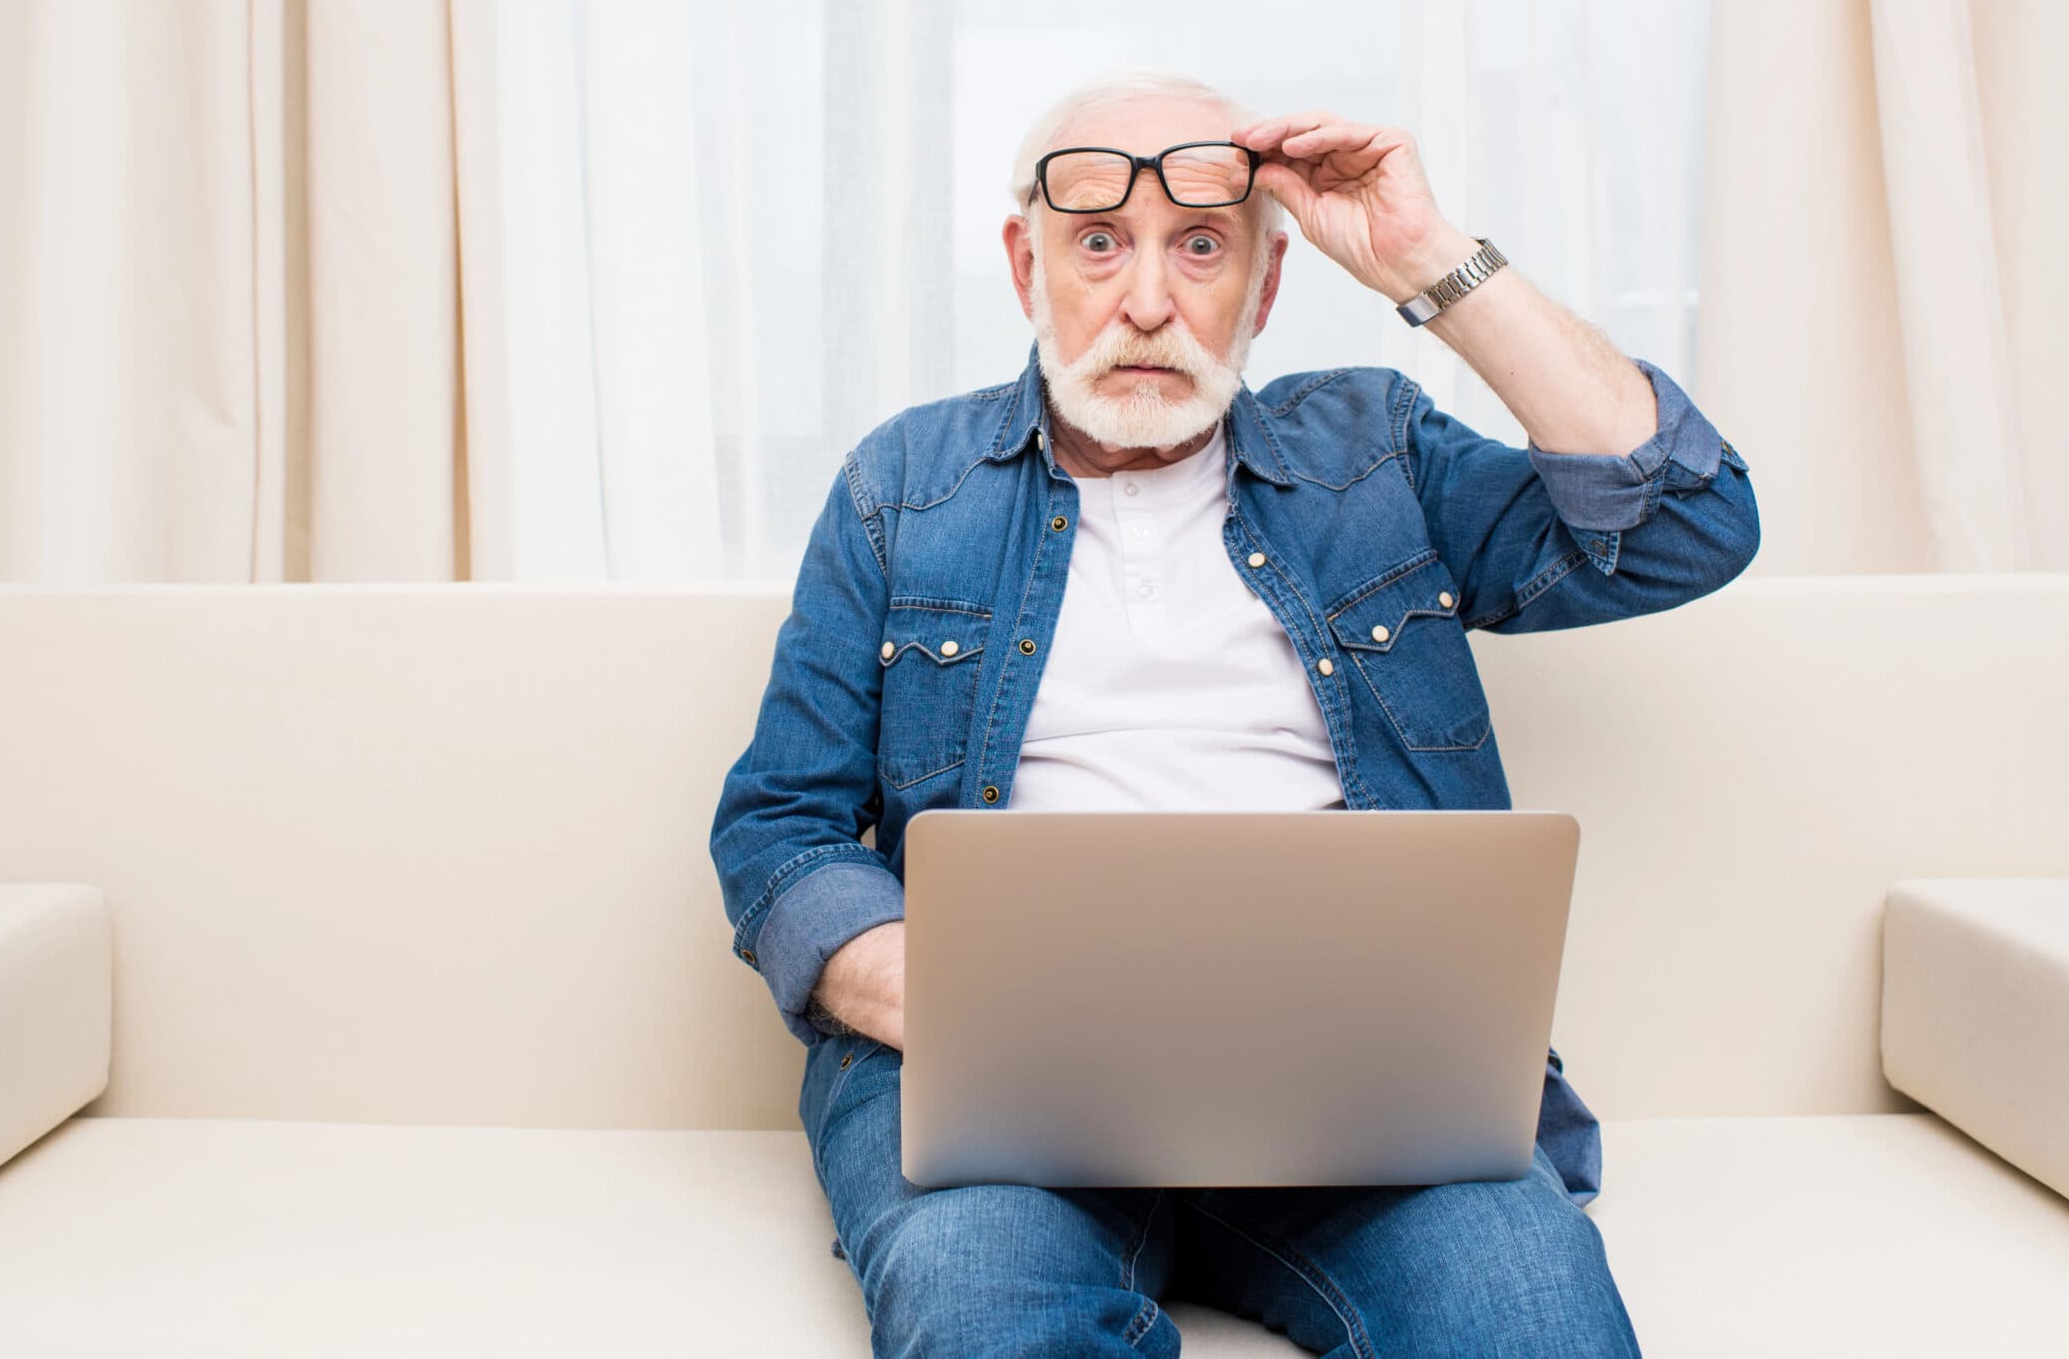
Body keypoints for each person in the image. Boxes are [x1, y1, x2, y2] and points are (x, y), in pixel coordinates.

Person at [708, 68, 1759, 1355]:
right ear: (1026, 267)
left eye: (1199, 246)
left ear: (1262, 286)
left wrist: (1426, 255)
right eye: (1098, 242)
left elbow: (1683, 526)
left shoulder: (1373, 453)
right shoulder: (903, 484)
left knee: (1531, 1316)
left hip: (1361, 1086)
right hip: (1000, 1088)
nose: (1146, 299)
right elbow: (779, 826)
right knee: (982, 1309)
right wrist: (972, 1002)